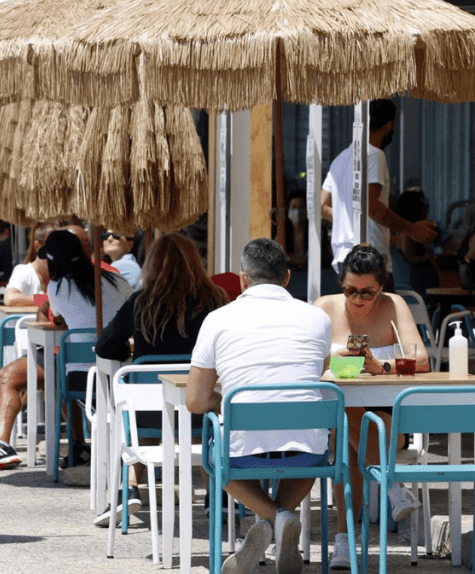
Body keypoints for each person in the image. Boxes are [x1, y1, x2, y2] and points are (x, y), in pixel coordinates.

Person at [188, 238, 333, 574]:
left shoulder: (217, 319)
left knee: (217, 460)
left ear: (242, 279)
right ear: (286, 277)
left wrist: (225, 401)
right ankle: (281, 518)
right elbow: (318, 370)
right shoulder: (317, 318)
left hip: (241, 448)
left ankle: (272, 518)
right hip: (307, 449)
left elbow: (195, 400)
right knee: (312, 451)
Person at [0, 230, 132, 470]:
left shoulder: (59, 287)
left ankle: (2, 446)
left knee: (12, 375)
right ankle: (77, 446)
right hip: (123, 369)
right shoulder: (118, 280)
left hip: (79, 376)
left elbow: (49, 315)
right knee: (59, 367)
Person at [95, 233, 227, 523]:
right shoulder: (215, 300)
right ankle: (216, 494)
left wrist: (129, 351)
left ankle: (128, 489)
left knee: (143, 420)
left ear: (152, 264)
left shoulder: (141, 302)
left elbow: (105, 346)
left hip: (149, 415)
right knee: (208, 429)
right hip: (200, 407)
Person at [313, 243, 427, 570]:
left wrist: (382, 367)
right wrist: (338, 360)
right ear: (341, 284)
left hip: (384, 409)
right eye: (351, 290)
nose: (358, 300)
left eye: (368, 293)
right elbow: (307, 359)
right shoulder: (324, 307)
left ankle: (344, 543)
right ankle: (393, 486)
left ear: (382, 287)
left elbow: (421, 360)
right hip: (339, 408)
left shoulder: (394, 305)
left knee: (350, 439)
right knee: (346, 421)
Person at [0, 220, 57, 471]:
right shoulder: (24, 271)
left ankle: (3, 443)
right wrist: (46, 299)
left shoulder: (66, 278)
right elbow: (11, 297)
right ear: (39, 248)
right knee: (18, 376)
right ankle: (4, 442)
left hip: (52, 351)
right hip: (32, 348)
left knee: (14, 377)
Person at [321, 99, 438, 284]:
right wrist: (413, 230)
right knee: (386, 312)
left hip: (344, 259)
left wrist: (351, 224)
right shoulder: (375, 155)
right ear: (390, 124)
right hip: (371, 259)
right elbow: (372, 207)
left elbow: (322, 207)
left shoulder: (340, 160)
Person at [393, 189, 440, 295]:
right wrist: (429, 257)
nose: (428, 206)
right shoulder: (409, 230)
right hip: (416, 282)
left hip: (412, 281)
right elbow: (409, 257)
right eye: (425, 203)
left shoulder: (404, 228)